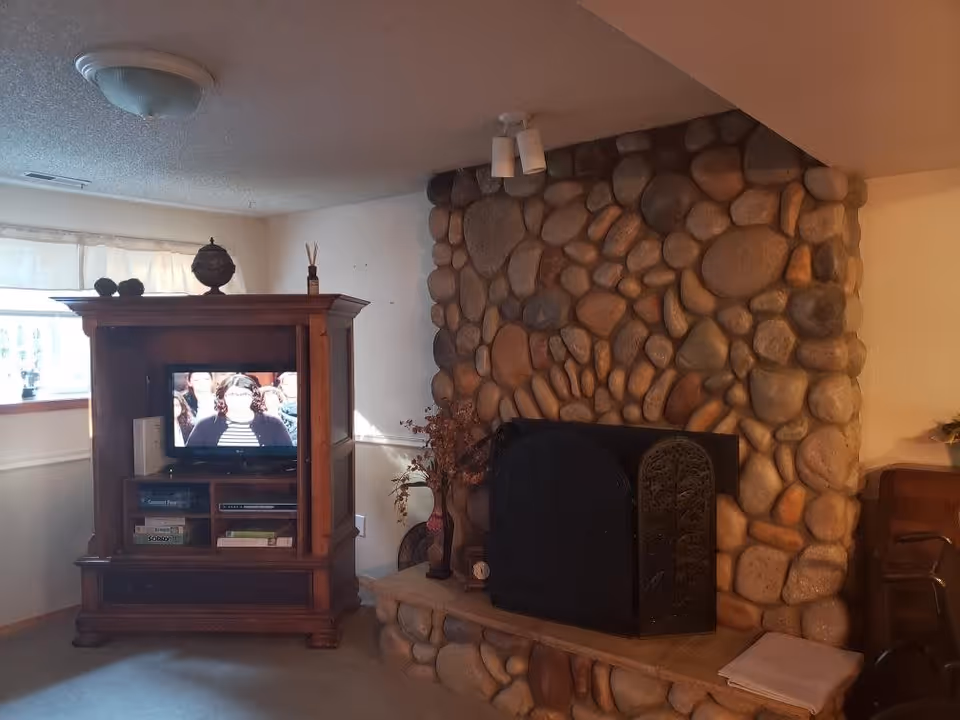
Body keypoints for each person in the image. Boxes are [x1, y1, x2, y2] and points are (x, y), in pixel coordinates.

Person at [186, 374, 292, 448]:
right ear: (223, 397)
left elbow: (287, 459)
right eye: (232, 394)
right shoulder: (205, 424)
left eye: (244, 394)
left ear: (254, 397)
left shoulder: (274, 424)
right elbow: (189, 459)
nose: (238, 398)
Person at [276, 372, 298, 443]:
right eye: (287, 384)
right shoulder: (275, 408)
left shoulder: (309, 408)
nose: (291, 387)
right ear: (281, 386)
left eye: (295, 384)